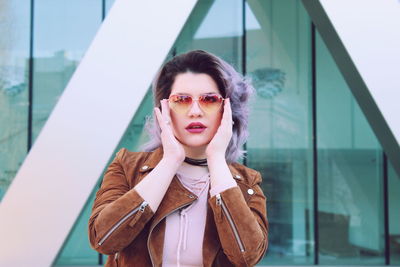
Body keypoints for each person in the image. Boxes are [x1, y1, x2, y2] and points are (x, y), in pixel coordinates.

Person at [88, 50, 268, 267]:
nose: (195, 111)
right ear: (164, 108)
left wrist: (217, 160)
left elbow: (247, 256)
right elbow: (103, 240)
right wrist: (170, 161)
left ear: (227, 110)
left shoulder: (247, 183)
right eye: (181, 100)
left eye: (209, 99)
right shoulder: (127, 166)